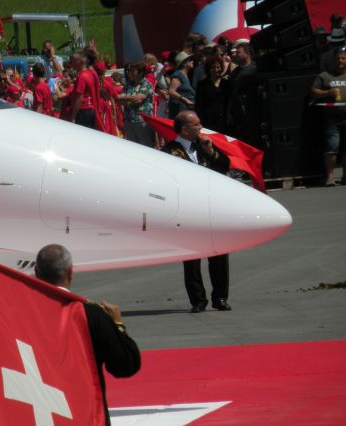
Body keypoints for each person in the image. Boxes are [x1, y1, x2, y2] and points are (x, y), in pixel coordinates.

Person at [34, 244, 141, 426]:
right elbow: (125, 365)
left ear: (36, 272)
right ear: (70, 273)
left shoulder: (18, 313)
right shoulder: (91, 315)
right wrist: (118, 325)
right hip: (85, 417)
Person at [162, 111, 232, 313]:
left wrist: (210, 151)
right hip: (188, 210)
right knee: (192, 259)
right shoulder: (168, 151)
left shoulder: (204, 145)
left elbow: (224, 166)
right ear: (184, 129)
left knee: (219, 254)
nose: (201, 128)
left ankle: (220, 297)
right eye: (197, 125)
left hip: (211, 207)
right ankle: (198, 300)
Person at [312, 46, 346, 186]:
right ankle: (330, 177)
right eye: (338, 58)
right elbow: (313, 92)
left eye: (343, 58)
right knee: (332, 147)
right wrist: (327, 93)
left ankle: (345, 177)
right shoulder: (325, 75)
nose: (340, 61)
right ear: (334, 59)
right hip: (332, 118)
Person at [118, 61, 156, 147]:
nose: (129, 73)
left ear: (140, 72)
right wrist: (132, 100)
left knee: (145, 146)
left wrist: (125, 98)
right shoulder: (127, 85)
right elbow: (119, 100)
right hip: (128, 120)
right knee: (132, 147)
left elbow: (138, 98)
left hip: (142, 121)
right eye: (129, 71)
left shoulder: (146, 84)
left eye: (132, 71)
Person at [195, 55, 231, 133]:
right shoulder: (202, 84)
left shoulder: (226, 84)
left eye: (218, 67)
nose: (216, 70)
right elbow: (198, 104)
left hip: (223, 120)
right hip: (207, 120)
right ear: (208, 69)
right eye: (213, 67)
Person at [167, 51, 196, 119]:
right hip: (180, 111)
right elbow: (171, 91)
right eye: (190, 60)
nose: (192, 61)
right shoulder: (179, 74)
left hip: (185, 110)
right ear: (184, 63)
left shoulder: (185, 75)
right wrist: (185, 99)